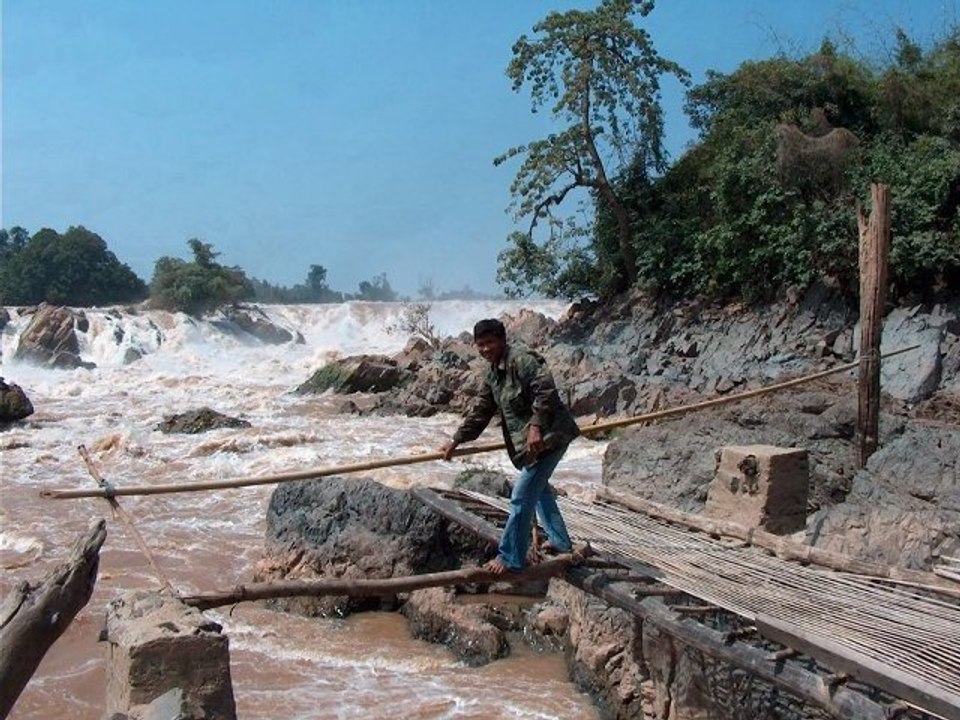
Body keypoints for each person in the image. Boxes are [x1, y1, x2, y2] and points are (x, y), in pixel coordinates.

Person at [440, 318, 580, 575]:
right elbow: (481, 411)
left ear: (502, 340)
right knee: (539, 491)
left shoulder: (522, 360)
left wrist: (536, 426)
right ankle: (560, 541)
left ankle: (511, 557)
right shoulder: (493, 374)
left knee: (521, 496)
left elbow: (546, 390)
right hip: (532, 446)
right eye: (480, 345)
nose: (485, 349)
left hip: (551, 437)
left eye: (490, 342)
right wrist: (456, 440)